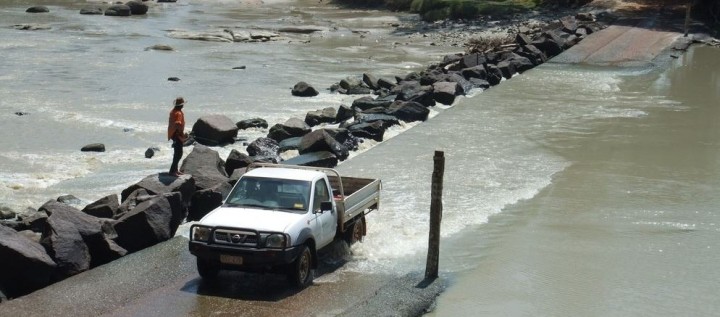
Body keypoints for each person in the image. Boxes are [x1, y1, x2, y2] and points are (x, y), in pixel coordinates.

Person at [167, 97, 188, 176]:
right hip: (177, 135)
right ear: (181, 105)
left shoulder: (173, 111)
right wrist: (181, 133)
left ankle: (175, 170)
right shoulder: (178, 113)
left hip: (172, 134)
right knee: (179, 153)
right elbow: (178, 123)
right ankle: (173, 171)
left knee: (177, 153)